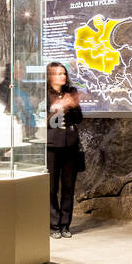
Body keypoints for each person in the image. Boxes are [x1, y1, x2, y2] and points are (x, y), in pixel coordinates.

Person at [45, 61, 83, 238]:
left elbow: (79, 118)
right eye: (58, 73)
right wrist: (58, 109)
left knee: (68, 186)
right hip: (52, 146)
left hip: (70, 146)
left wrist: (71, 106)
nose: (62, 76)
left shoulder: (71, 92)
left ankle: (65, 225)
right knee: (51, 188)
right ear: (50, 76)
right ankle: (53, 225)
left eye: (64, 73)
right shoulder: (44, 94)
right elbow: (44, 122)